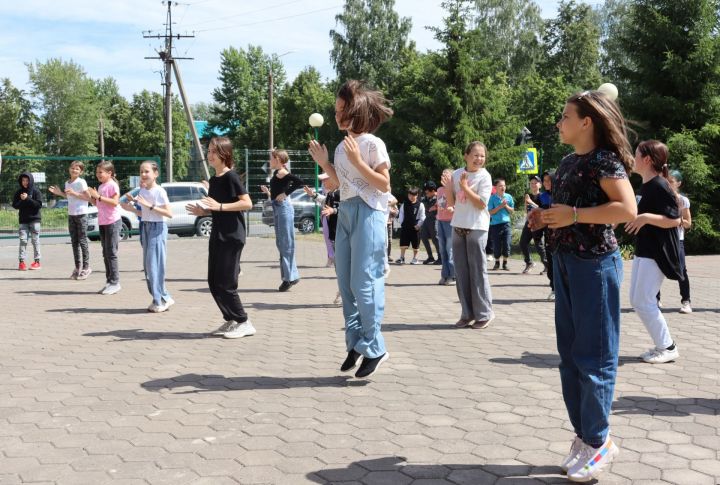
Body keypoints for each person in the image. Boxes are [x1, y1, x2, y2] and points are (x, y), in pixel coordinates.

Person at [528, 90, 637, 482]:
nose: (560, 123)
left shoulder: (604, 160)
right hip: (566, 263)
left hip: (595, 266)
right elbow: (569, 213)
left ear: (586, 122)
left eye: (565, 116)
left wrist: (572, 214)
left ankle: (599, 440)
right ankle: (584, 437)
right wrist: (546, 218)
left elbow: (627, 210)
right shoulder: (570, 160)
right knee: (570, 359)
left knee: (595, 359)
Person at [308, 79, 392, 379]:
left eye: (340, 108)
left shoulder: (371, 144)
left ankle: (375, 346)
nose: (335, 114)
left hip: (369, 214)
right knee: (345, 284)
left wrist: (358, 160)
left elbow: (384, 184)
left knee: (364, 283)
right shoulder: (344, 146)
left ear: (354, 111)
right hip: (345, 213)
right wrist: (325, 163)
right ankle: (356, 342)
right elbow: (340, 184)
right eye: (335, 109)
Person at [186, 136, 255, 339]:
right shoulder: (215, 180)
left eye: (213, 151)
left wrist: (219, 207)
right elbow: (218, 208)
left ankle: (244, 321)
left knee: (226, 282)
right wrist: (205, 212)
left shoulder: (231, 177)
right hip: (218, 234)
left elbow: (247, 203)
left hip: (233, 236)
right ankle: (231, 319)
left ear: (224, 154)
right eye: (208, 151)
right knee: (213, 281)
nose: (209, 155)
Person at [626, 140, 683, 364]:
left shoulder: (660, 185)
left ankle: (667, 347)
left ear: (647, 160)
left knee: (644, 300)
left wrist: (645, 218)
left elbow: (675, 219)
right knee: (637, 299)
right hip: (644, 249)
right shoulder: (647, 185)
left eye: (636, 154)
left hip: (657, 252)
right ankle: (664, 345)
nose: (633, 158)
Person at [440, 141, 493, 329]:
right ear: (466, 155)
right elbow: (452, 203)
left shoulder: (485, 177)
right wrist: (448, 187)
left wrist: (465, 187)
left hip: (477, 227)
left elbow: (481, 204)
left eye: (482, 156)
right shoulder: (456, 174)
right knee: (461, 273)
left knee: (477, 272)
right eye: (475, 155)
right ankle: (466, 314)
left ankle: (484, 314)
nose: (479, 159)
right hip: (458, 226)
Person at [121, 161, 175, 313]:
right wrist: (131, 208)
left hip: (157, 228)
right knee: (148, 267)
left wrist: (149, 205)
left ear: (155, 174)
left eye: (147, 172)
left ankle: (161, 299)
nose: (143, 175)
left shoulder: (159, 191)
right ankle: (162, 297)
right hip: (145, 226)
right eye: (141, 172)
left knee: (154, 265)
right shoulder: (142, 191)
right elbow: (144, 213)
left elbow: (169, 214)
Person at [260, 149, 304, 292]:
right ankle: (291, 275)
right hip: (277, 207)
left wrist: (285, 194)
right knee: (281, 243)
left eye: (272, 159)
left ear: (278, 159)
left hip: (284, 208)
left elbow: (299, 182)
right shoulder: (276, 173)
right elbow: (278, 190)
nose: (269, 161)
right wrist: (269, 193)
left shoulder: (283, 173)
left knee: (286, 243)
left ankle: (289, 278)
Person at [49, 161, 92, 279]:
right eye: (72, 168)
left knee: (83, 241)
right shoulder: (67, 183)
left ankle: (86, 268)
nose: (74, 170)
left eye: (77, 169)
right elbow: (69, 197)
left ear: (81, 171)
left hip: (81, 214)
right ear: (69, 169)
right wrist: (60, 193)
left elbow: (88, 198)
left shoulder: (81, 182)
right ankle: (77, 268)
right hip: (71, 215)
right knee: (74, 242)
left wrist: (74, 193)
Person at [87, 162, 122, 295]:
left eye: (101, 172)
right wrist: (89, 196)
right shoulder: (101, 186)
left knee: (111, 253)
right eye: (97, 172)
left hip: (113, 222)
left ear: (109, 173)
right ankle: (109, 282)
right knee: (105, 253)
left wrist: (98, 196)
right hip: (103, 222)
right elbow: (97, 203)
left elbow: (114, 202)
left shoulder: (113, 185)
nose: (98, 175)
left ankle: (115, 282)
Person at [660, 170, 692, 314]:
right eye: (666, 182)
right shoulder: (659, 198)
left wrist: (677, 221)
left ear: (678, 184)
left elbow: (688, 223)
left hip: (677, 239)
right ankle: (655, 300)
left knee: (681, 270)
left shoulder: (683, 200)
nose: (668, 185)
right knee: (657, 268)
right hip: (661, 238)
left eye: (671, 182)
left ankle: (686, 301)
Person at [304, 173, 339, 267]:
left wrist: (334, 210)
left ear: (333, 179)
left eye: (325, 180)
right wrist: (313, 195)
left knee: (337, 246)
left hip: (337, 228)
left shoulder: (340, 193)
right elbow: (324, 201)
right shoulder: (330, 193)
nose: (322, 182)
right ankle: (332, 258)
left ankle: (336, 261)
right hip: (329, 225)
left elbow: (344, 208)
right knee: (330, 242)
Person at [13, 172, 43, 271]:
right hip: (23, 221)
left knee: (35, 241)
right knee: (23, 241)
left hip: (35, 220)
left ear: (30, 180)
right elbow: (15, 205)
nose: (25, 182)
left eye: (27, 180)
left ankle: (37, 262)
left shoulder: (36, 191)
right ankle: (21, 262)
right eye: (23, 180)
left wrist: (27, 198)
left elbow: (38, 205)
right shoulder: (19, 192)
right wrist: (22, 200)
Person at [519, 175, 547, 274]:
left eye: (536, 183)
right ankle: (529, 262)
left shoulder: (543, 196)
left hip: (539, 223)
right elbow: (526, 210)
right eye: (531, 183)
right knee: (523, 242)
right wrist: (526, 203)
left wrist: (531, 202)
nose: (533, 185)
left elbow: (543, 209)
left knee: (538, 244)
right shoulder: (528, 196)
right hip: (530, 222)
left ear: (540, 185)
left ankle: (546, 265)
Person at [488, 178, 515, 270]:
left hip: (506, 224)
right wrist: (500, 206)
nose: (503, 187)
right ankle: (497, 263)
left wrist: (506, 206)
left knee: (507, 243)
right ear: (496, 187)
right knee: (496, 244)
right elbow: (490, 212)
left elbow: (512, 211)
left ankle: (505, 263)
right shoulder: (492, 198)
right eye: (500, 186)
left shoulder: (509, 197)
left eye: (504, 185)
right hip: (495, 225)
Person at [436, 169, 455, 285]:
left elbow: (459, 204)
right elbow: (441, 203)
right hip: (440, 220)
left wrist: (453, 208)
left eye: (446, 174)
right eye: (442, 174)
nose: (443, 176)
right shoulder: (439, 190)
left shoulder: (455, 189)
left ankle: (453, 276)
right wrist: (442, 207)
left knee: (450, 249)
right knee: (442, 250)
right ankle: (445, 275)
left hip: (451, 221)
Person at [396, 187, 425, 265]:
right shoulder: (404, 204)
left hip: (415, 227)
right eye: (410, 195)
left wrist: (418, 225)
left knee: (416, 244)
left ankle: (415, 259)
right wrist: (401, 223)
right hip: (405, 226)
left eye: (413, 195)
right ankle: (402, 258)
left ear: (417, 195)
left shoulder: (420, 205)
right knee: (403, 243)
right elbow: (401, 214)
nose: (411, 197)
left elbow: (422, 216)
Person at [539, 171, 555, 300]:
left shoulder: (561, 194)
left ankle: (560, 289)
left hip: (562, 233)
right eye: (544, 181)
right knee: (550, 262)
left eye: (549, 180)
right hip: (548, 233)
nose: (546, 183)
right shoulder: (542, 196)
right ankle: (554, 288)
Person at [420, 181, 441, 265]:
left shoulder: (438, 197)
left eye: (427, 191)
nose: (426, 193)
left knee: (435, 239)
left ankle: (441, 258)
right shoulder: (426, 198)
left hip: (435, 219)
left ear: (433, 191)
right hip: (427, 219)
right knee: (423, 236)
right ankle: (430, 257)